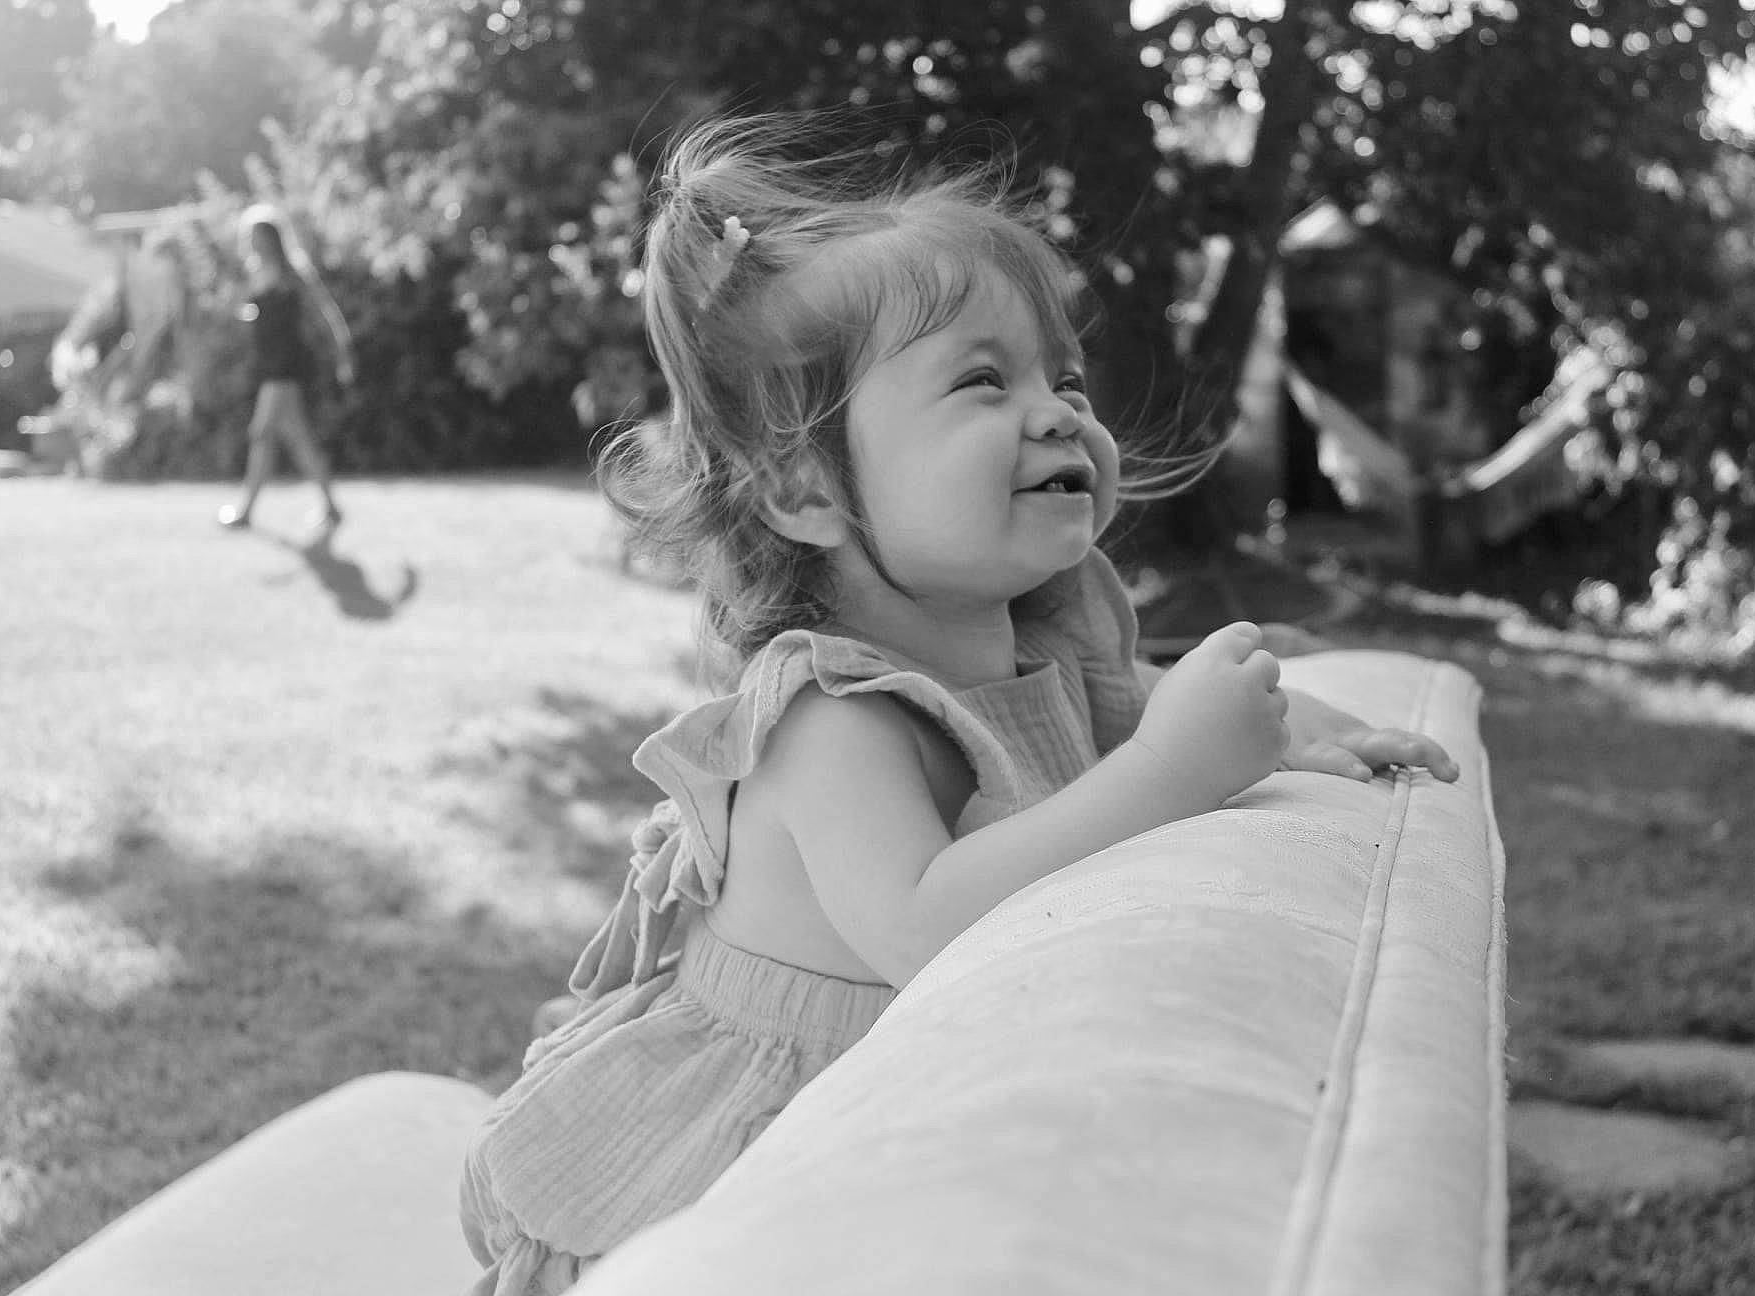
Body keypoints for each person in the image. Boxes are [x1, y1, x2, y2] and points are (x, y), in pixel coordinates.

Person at [458, 115, 1458, 1293]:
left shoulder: (1039, 632)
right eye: (984, 381)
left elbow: (1133, 704)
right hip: (728, 1158)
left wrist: (1308, 730)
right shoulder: (830, 720)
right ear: (801, 488)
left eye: (1064, 377)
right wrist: (1177, 771)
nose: (1058, 411)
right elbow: (924, 929)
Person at [216, 205, 354, 534]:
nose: (251, 243)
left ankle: (246, 510)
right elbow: (258, 315)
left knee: (261, 431)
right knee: (298, 440)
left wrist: (343, 352)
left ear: (270, 238)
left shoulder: (293, 273)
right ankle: (332, 507)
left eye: (255, 236)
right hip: (267, 364)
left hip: (288, 364)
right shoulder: (254, 273)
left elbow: (325, 313)